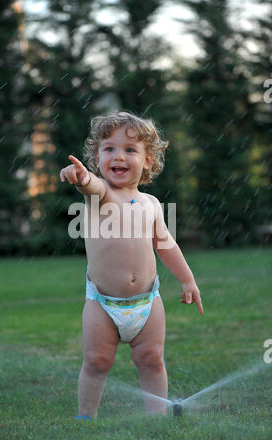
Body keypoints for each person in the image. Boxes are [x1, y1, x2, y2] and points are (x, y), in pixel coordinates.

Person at [60, 111, 203, 420]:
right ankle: (85, 418)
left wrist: (188, 280)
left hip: (148, 302)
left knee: (152, 360)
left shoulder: (151, 204)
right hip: (103, 304)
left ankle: (156, 417)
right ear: (97, 158)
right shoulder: (101, 196)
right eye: (109, 148)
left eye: (129, 149)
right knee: (97, 361)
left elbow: (166, 245)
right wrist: (81, 178)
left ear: (148, 160)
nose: (118, 156)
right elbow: (91, 187)